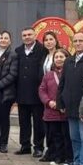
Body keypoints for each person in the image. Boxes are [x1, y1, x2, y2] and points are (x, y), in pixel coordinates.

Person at [58, 32, 83, 165]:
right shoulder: (69, 61)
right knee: (74, 137)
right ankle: (77, 161)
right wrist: (60, 100)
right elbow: (63, 82)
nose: (78, 43)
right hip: (70, 105)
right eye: (76, 41)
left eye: (81, 40)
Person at [15, 27, 48, 157]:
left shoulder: (42, 50)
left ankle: (38, 147)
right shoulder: (18, 51)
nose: (27, 37)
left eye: (29, 34)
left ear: (35, 35)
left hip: (37, 93)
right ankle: (25, 145)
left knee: (38, 123)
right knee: (23, 121)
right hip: (22, 92)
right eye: (24, 35)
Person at [40, 48, 70, 165]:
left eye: (61, 57)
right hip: (50, 111)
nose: (58, 59)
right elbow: (42, 90)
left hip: (64, 111)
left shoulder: (70, 73)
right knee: (54, 136)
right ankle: (56, 156)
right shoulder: (48, 75)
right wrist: (48, 102)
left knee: (65, 136)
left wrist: (62, 103)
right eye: (56, 57)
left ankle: (65, 157)